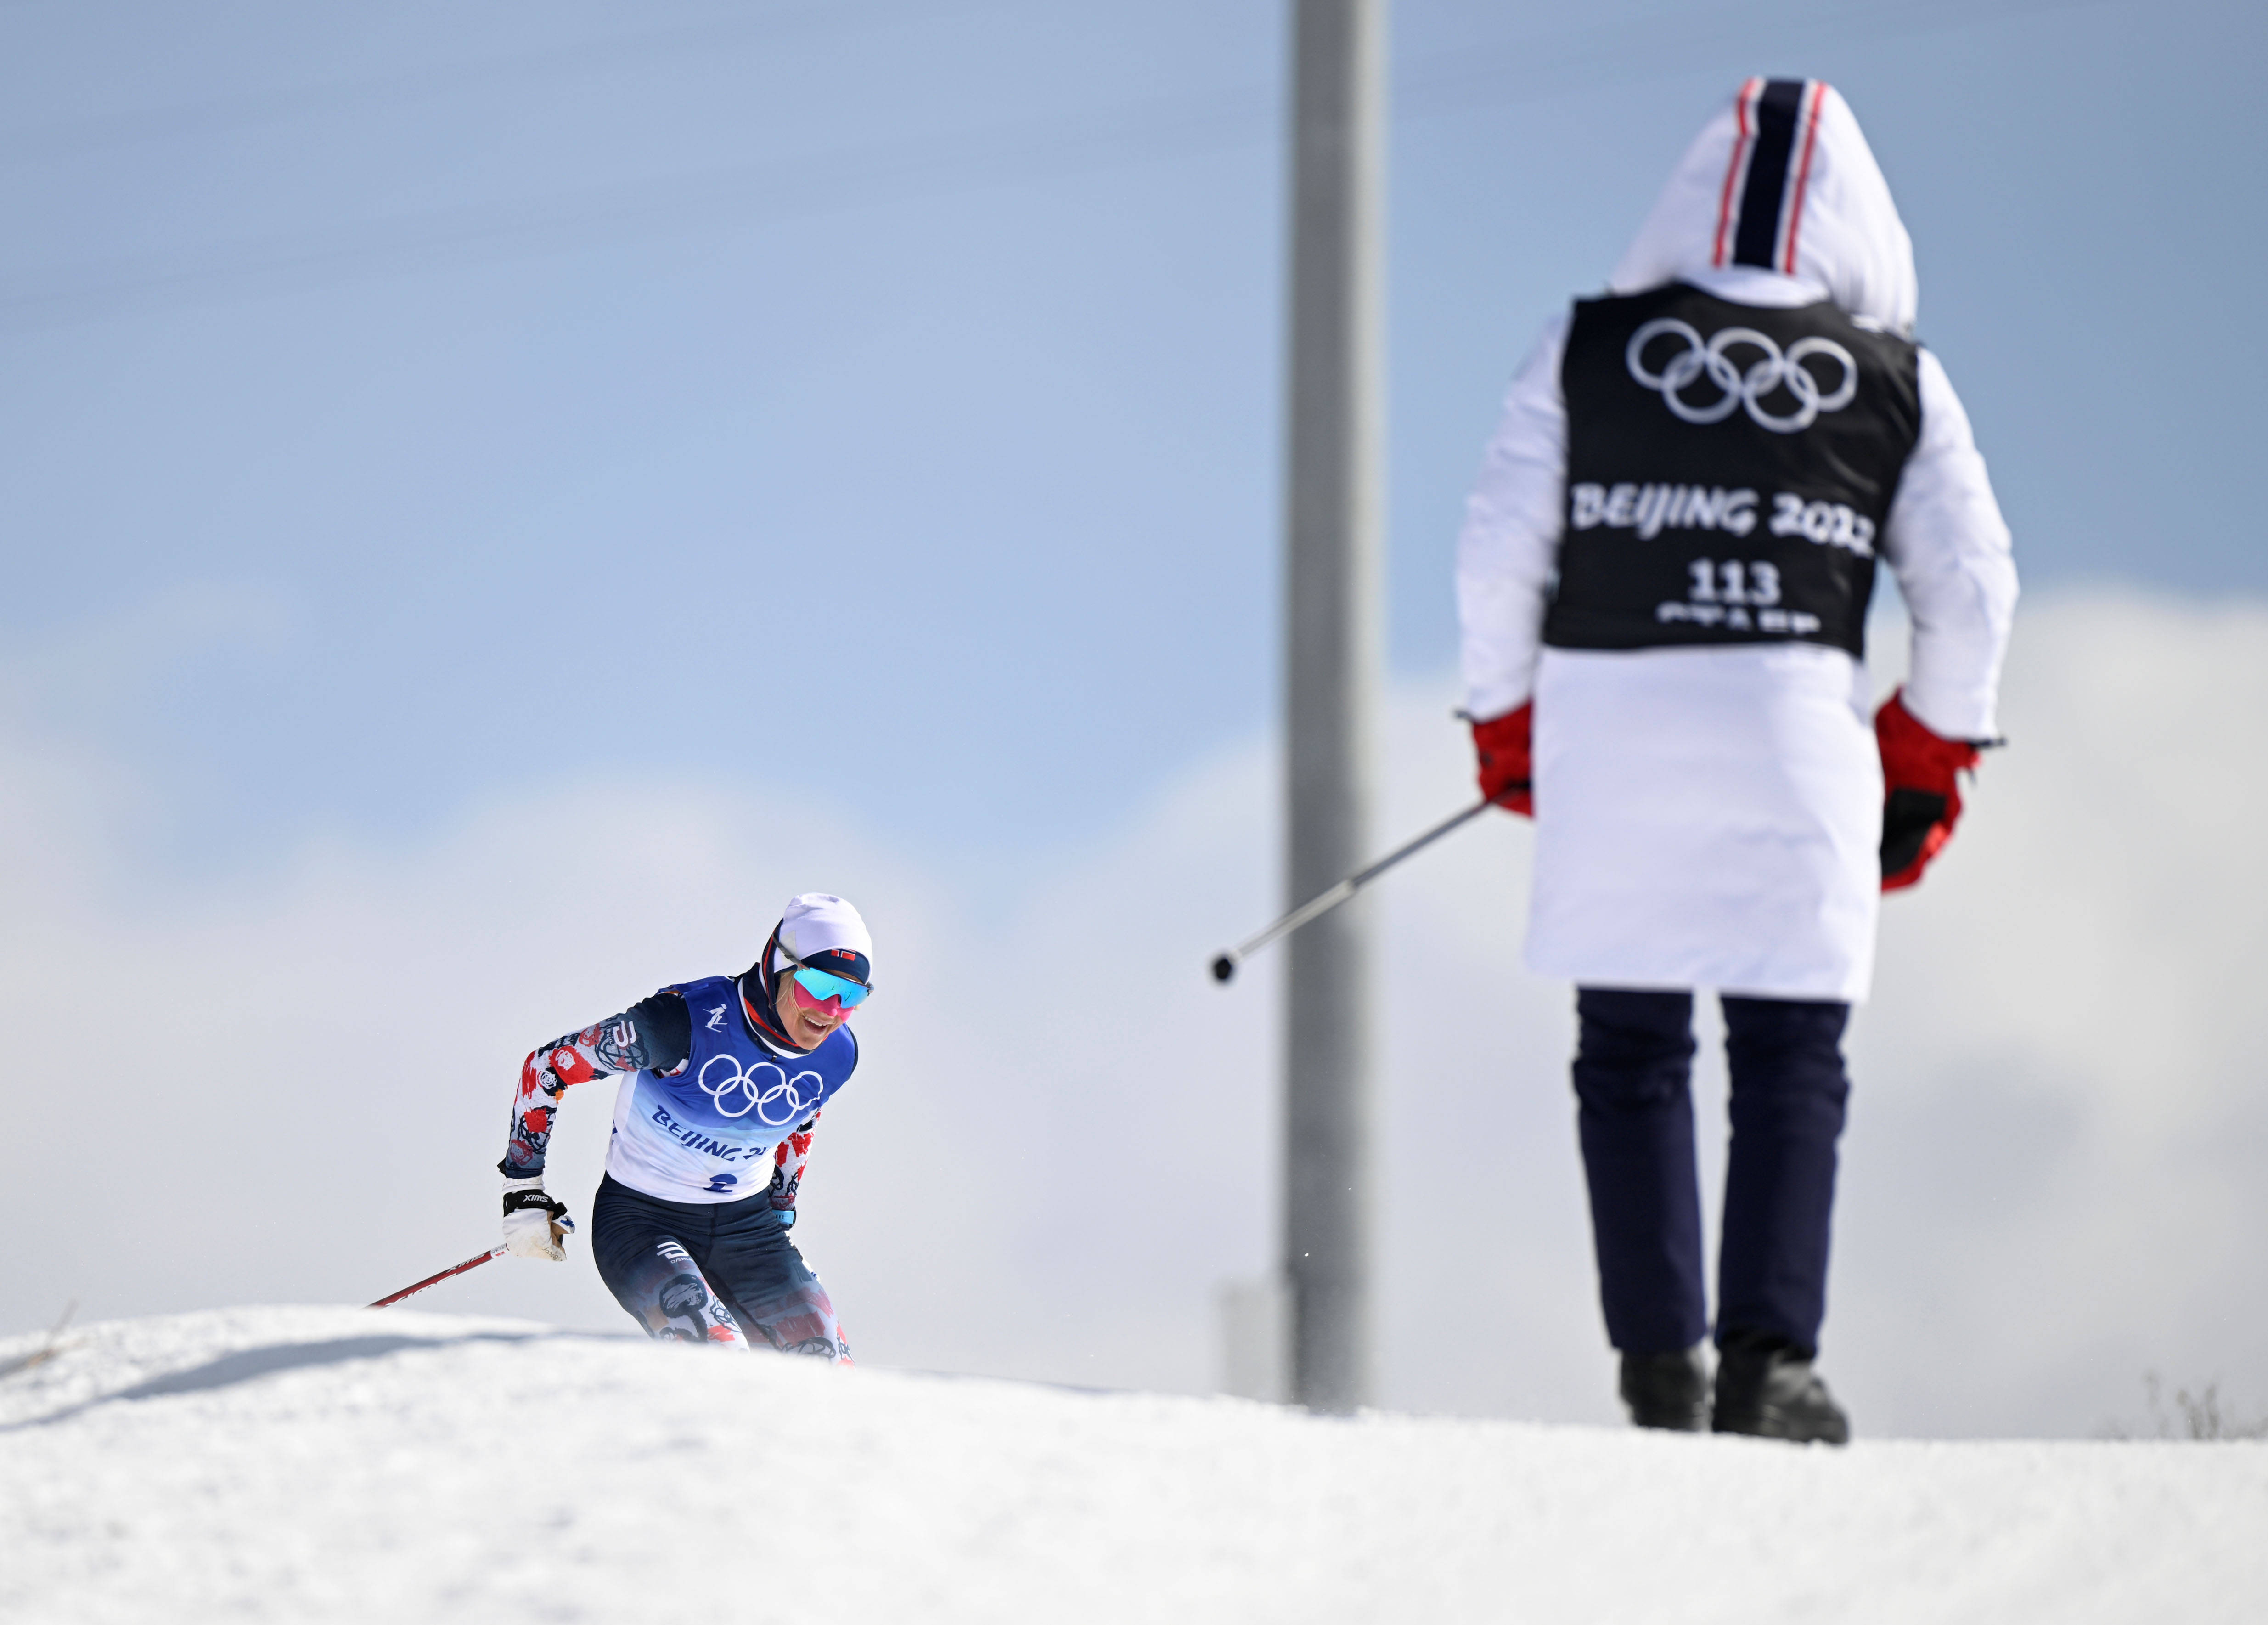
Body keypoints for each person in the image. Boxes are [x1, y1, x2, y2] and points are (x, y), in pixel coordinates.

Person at [1455, 79, 2017, 1441]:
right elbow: (1972, 591)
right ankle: (1770, 1368)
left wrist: (1506, 719)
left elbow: (1493, 549)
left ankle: (1657, 1367)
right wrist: (1925, 749)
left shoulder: (1580, 348)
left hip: (1613, 717)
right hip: (1791, 729)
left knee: (1629, 1046)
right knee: (1786, 1051)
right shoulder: (1897, 380)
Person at [495, 892, 874, 1360]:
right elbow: (549, 1067)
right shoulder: (677, 1024)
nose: (832, 1012)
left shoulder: (839, 1054)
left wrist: (781, 1215)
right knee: (720, 1357)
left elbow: (799, 1117)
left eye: (853, 996)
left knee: (829, 1366)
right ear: (780, 965)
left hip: (749, 1230)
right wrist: (524, 1190)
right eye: (818, 985)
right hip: (642, 1220)